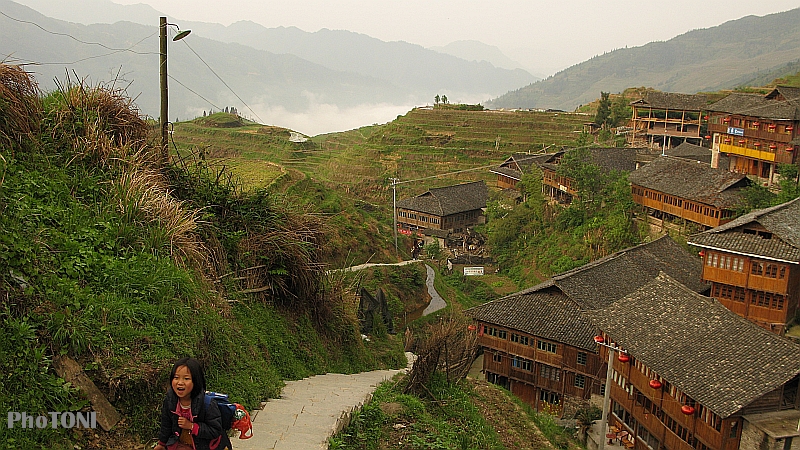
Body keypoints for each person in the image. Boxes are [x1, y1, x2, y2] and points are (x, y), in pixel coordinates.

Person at [154, 357, 232, 450]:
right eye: (176, 377)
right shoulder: (170, 400)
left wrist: (191, 426)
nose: (180, 383)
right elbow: (166, 425)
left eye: (186, 378)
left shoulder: (207, 404)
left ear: (196, 381)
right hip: (182, 444)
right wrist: (162, 444)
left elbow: (215, 430)